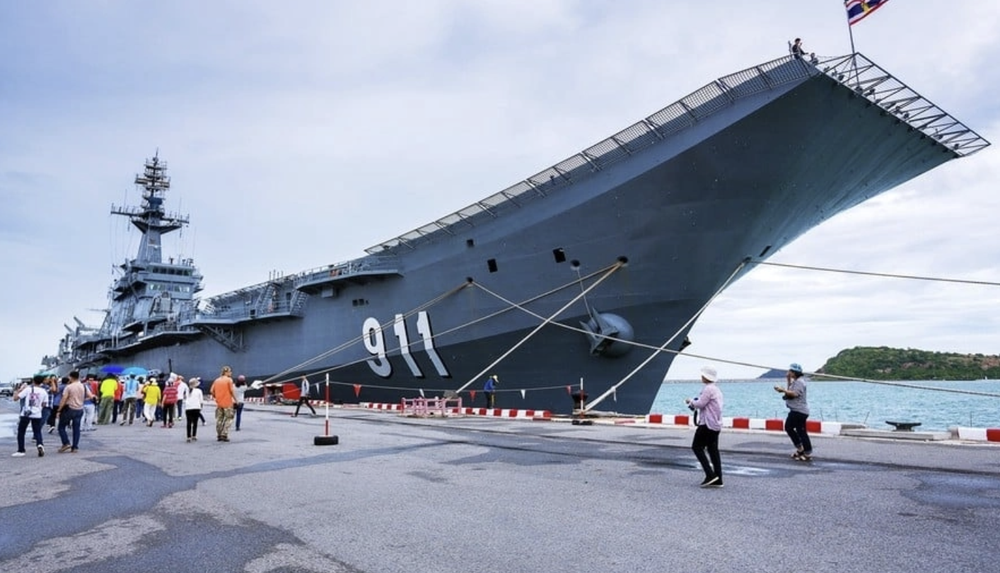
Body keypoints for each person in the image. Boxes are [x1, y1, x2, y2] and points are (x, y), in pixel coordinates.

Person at [685, 366, 724, 488]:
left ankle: (710, 475)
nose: (701, 376)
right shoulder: (717, 390)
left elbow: (700, 403)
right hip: (716, 424)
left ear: (706, 377)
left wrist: (690, 401)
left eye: (703, 375)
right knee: (713, 451)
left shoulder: (708, 389)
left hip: (707, 424)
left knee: (696, 447)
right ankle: (718, 478)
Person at [775, 363, 812, 461]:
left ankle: (807, 453)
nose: (788, 372)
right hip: (795, 410)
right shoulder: (795, 382)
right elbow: (789, 392)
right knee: (789, 428)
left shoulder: (800, 382)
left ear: (794, 372)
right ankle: (800, 449)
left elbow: (794, 394)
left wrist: (783, 390)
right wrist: (788, 381)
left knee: (801, 432)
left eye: (790, 371)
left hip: (799, 411)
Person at [13, 375, 49, 457]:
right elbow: (44, 404)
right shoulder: (44, 391)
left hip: (26, 413)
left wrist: (18, 390)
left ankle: (21, 450)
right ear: (42, 382)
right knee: (37, 431)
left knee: (21, 431)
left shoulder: (28, 389)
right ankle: (40, 444)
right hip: (37, 414)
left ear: (33, 381)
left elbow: (15, 398)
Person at [57, 370, 92, 453]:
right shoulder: (84, 386)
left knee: (61, 427)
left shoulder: (69, 387)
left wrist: (59, 410)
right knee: (76, 429)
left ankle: (66, 443)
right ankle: (75, 447)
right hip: (79, 409)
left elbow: (64, 399)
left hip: (69, 409)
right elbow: (91, 396)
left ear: (70, 377)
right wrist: (82, 400)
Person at [211, 366, 237, 441]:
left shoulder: (216, 380)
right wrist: (236, 400)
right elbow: (231, 391)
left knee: (219, 419)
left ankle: (219, 434)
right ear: (226, 372)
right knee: (229, 418)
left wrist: (216, 397)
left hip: (219, 404)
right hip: (228, 403)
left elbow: (212, 391)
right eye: (230, 371)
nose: (231, 373)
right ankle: (224, 434)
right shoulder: (229, 380)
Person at [185, 377, 204, 442]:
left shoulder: (187, 391)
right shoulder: (199, 391)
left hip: (188, 408)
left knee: (189, 422)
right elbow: (201, 401)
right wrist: (201, 407)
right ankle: (194, 435)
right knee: (195, 422)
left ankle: (188, 436)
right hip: (196, 407)